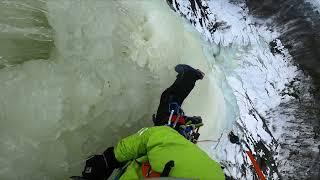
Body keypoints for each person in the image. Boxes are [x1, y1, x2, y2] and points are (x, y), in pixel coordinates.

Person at [72, 64, 225, 180]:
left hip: (165, 149)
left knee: (170, 104)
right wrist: (111, 159)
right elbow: (158, 136)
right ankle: (190, 77)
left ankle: (190, 76)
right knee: (169, 102)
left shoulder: (212, 174)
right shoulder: (207, 174)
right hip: (167, 145)